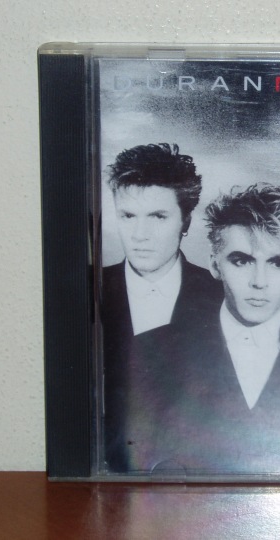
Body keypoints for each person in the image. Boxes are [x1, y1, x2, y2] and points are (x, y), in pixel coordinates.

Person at [122, 183, 280, 475]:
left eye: (277, 263)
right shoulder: (150, 352)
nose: (259, 281)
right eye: (242, 261)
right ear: (215, 265)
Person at [101, 143, 220, 472]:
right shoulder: (87, 291)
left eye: (158, 216)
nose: (140, 235)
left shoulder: (224, 298)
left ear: (186, 221)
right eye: (128, 216)